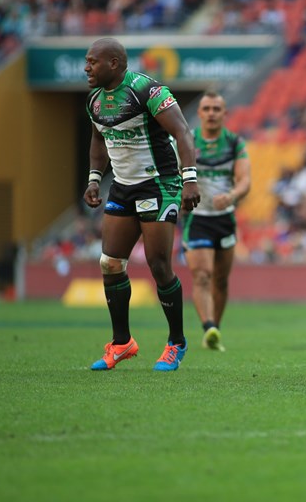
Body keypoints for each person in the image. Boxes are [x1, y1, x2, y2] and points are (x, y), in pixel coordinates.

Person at [83, 37, 200, 371]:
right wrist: (94, 178)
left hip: (159, 184)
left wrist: (190, 178)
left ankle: (176, 342)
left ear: (114, 64)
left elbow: (183, 132)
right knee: (110, 263)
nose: (87, 68)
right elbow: (98, 139)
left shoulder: (148, 91)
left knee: (158, 264)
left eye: (92, 62)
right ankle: (122, 343)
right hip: (122, 187)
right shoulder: (94, 100)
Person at [182, 91, 251, 351]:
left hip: (225, 219)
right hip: (197, 218)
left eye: (216, 109)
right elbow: (173, 174)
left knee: (220, 280)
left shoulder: (234, 143)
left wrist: (231, 195)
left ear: (224, 113)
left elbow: (245, 180)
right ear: (199, 113)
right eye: (207, 108)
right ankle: (208, 325)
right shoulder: (187, 141)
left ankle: (214, 331)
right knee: (202, 275)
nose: (211, 113)